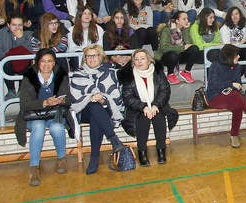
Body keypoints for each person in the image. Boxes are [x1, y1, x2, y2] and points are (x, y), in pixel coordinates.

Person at [15, 49, 74, 186]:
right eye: (43, 61)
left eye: (49, 61)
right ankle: (34, 167)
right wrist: (45, 102)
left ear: (54, 63)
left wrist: (60, 101)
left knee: (57, 127)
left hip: (55, 112)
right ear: (37, 62)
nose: (46, 64)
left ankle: (61, 159)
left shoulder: (61, 75)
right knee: (38, 127)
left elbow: (68, 98)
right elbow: (24, 104)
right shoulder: (29, 76)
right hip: (34, 115)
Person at [69, 44, 126, 175]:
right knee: (93, 106)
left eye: (94, 55)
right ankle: (113, 140)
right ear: (84, 58)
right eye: (88, 56)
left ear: (101, 57)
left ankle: (94, 158)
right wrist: (90, 97)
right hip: (83, 110)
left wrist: (103, 99)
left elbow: (115, 94)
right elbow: (75, 96)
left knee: (96, 115)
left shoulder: (111, 72)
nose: (91, 59)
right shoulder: (79, 73)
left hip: (105, 109)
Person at [119, 49, 176, 167]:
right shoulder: (129, 75)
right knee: (143, 120)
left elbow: (165, 91)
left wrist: (155, 105)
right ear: (133, 62)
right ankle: (142, 152)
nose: (139, 61)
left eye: (142, 58)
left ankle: (161, 150)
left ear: (149, 60)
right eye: (136, 59)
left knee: (159, 117)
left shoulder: (158, 72)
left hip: (157, 105)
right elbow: (127, 96)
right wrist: (143, 107)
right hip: (137, 108)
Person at [205, 44, 246, 148]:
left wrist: (233, 86)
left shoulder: (237, 66)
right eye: (236, 55)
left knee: (238, 105)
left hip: (231, 95)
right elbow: (213, 85)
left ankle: (235, 135)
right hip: (215, 96)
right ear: (229, 56)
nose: (239, 57)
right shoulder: (215, 66)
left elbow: (238, 82)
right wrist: (230, 85)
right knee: (237, 97)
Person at [156, 11, 200, 84]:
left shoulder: (185, 29)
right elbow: (164, 48)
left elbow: (189, 44)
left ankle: (186, 72)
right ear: (177, 21)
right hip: (167, 57)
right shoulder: (166, 29)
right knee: (173, 55)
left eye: (187, 19)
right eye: (184, 19)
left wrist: (186, 29)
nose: (187, 21)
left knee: (194, 48)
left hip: (179, 55)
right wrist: (182, 48)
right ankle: (170, 74)